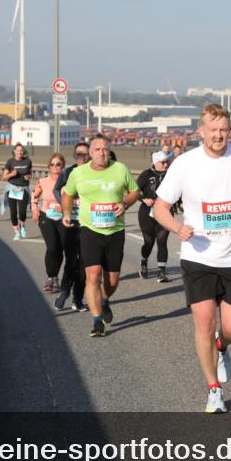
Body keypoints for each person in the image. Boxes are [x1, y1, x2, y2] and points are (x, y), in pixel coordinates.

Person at [153, 103, 231, 413]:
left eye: (223, 130)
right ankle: (213, 390)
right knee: (203, 323)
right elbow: (159, 208)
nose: (218, 135)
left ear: (230, 131)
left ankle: (222, 346)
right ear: (201, 132)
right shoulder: (185, 164)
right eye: (212, 130)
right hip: (198, 257)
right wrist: (178, 228)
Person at [61, 136, 141, 338]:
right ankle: (97, 321)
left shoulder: (120, 169)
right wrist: (66, 213)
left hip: (115, 231)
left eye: (105, 149)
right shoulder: (78, 173)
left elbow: (135, 191)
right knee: (93, 275)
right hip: (90, 230)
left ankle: (105, 299)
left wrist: (125, 203)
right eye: (97, 149)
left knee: (112, 280)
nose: (102, 153)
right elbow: (67, 194)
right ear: (90, 152)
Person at [52, 141, 90, 312]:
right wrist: (65, 206)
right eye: (78, 154)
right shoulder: (68, 172)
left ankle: (78, 298)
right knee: (71, 260)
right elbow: (56, 189)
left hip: (89, 223)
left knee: (84, 263)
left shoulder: (95, 173)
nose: (81, 157)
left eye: (84, 154)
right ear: (75, 156)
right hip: (71, 222)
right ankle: (64, 291)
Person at [136, 151, 174, 283]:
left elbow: (180, 191)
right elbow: (134, 191)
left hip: (165, 213)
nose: (165, 164)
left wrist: (181, 203)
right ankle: (144, 262)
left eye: (167, 162)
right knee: (149, 243)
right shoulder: (146, 174)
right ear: (155, 162)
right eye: (162, 162)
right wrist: (144, 199)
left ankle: (161, 272)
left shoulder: (172, 175)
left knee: (162, 241)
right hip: (147, 213)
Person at [33, 153, 67, 292]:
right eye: (52, 164)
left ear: (63, 166)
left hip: (62, 217)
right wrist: (35, 209)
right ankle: (50, 277)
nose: (55, 167)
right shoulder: (42, 181)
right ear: (48, 167)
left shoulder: (68, 182)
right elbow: (35, 196)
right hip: (46, 216)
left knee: (59, 248)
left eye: (58, 164)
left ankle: (55, 279)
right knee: (52, 246)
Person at [2, 143, 33, 240]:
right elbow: (3, 177)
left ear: (23, 151)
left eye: (21, 150)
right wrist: (11, 174)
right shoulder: (10, 162)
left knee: (23, 211)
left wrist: (28, 177)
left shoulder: (28, 161)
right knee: (13, 212)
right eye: (17, 150)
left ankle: (22, 226)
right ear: (14, 151)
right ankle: (16, 232)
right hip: (12, 188)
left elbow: (30, 174)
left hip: (23, 189)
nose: (19, 152)